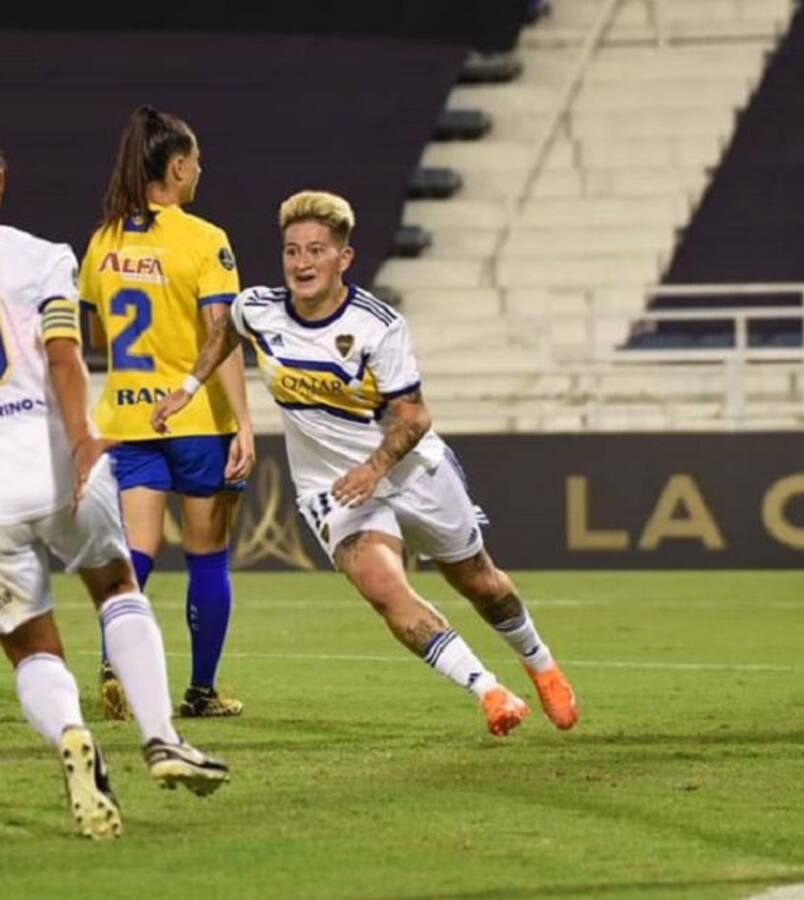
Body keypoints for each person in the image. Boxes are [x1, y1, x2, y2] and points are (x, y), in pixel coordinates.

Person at [152, 190, 578, 737]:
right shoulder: (257, 307)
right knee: (384, 589)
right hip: (330, 489)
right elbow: (225, 331)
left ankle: (540, 663)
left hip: (410, 472)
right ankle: (490, 692)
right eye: (291, 251)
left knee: (481, 583)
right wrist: (188, 387)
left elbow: (415, 416)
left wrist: (374, 469)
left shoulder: (379, 327)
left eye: (315, 251)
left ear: (343, 259)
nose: (301, 263)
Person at [0, 149, 228, 840]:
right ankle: (161, 736)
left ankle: (72, 733)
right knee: (117, 585)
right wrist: (82, 441)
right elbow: (65, 356)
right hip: (53, 455)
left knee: (27, 638)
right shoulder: (41, 257)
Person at [79, 106, 253, 719]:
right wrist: (245, 425)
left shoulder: (102, 242)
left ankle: (112, 660)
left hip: (127, 419)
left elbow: (98, 336)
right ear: (178, 168)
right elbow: (221, 335)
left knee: (137, 550)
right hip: (198, 419)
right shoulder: (205, 240)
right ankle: (201, 692)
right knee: (208, 554)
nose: (201, 169)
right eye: (197, 160)